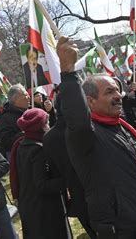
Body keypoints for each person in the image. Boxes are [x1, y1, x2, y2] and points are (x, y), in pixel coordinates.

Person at [56, 36, 136, 238]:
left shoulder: (120, 127)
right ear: (90, 102)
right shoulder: (86, 135)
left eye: (118, 90)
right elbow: (78, 119)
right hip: (122, 231)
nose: (118, 96)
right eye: (109, 92)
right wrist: (67, 71)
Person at [43, 91, 96, 238]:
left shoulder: (48, 138)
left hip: (77, 194)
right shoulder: (89, 126)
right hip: (100, 188)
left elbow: (55, 172)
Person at [10, 108, 69, 239]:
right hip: (44, 211)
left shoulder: (22, 144)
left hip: (30, 205)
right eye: (47, 123)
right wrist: (68, 180)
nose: (49, 126)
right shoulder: (38, 150)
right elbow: (42, 184)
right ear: (40, 127)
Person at [0, 84, 30, 158]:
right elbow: (7, 142)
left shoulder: (31, 112)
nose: (28, 97)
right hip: (19, 157)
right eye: (25, 95)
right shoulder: (5, 118)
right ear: (15, 99)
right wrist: (25, 133)